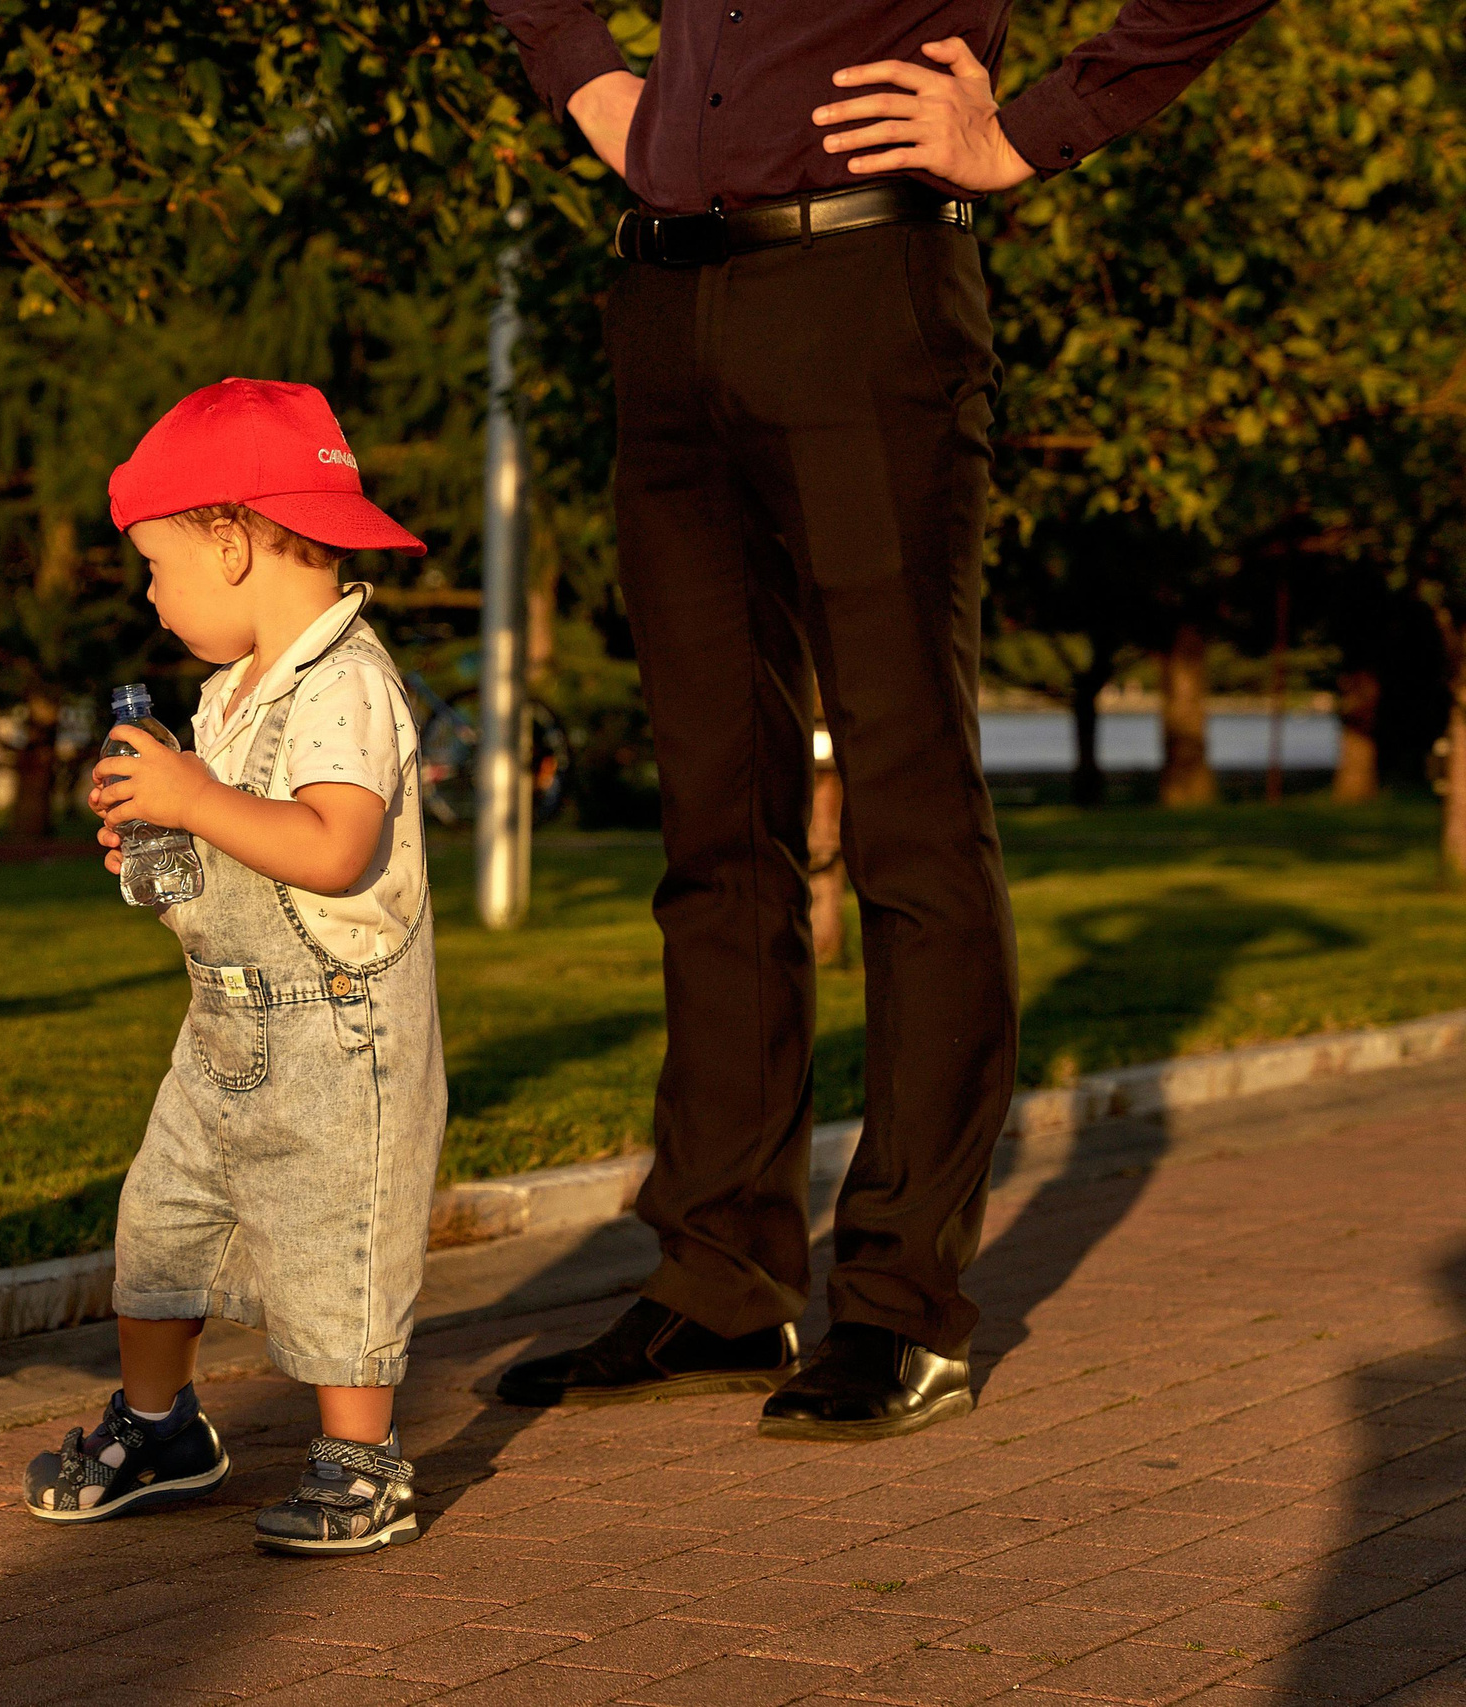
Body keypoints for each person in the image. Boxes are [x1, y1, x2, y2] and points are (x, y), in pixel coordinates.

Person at [480, 0, 1276, 1438]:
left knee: (909, 808)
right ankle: (720, 1280)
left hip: (866, 290)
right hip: (665, 307)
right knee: (716, 819)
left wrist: (1029, 130)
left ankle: (905, 1302)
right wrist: (581, 69)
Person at [22, 379, 445, 1556]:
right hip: (222, 1029)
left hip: (337, 1034)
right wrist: (162, 836)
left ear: (229, 542)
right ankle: (157, 1425)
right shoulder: (231, 695)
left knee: (337, 1246)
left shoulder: (346, 681)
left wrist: (198, 798)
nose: (152, 593)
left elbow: (332, 844)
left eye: (157, 564)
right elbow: (232, 858)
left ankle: (362, 1461)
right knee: (162, 1229)